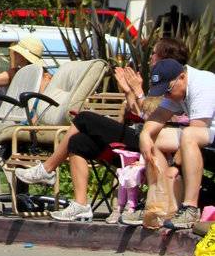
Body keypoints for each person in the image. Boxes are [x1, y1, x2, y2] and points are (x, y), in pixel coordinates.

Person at [16, 39, 190, 223]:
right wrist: (128, 92)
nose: (151, 58)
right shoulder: (161, 80)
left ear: (165, 58)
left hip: (154, 143)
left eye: (154, 53)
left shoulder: (175, 84)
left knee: (84, 118)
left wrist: (138, 91)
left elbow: (154, 119)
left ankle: (48, 169)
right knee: (78, 142)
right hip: (137, 138)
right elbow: (138, 112)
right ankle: (81, 205)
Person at [139, 50, 215, 230]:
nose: (166, 96)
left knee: (189, 134)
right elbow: (158, 116)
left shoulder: (204, 84)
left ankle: (190, 207)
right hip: (207, 134)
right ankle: (164, 204)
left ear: (182, 77)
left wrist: (176, 166)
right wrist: (145, 135)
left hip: (205, 131)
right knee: (155, 137)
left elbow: (197, 129)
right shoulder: (178, 88)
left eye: (167, 91)